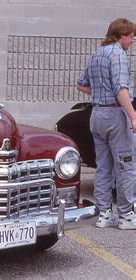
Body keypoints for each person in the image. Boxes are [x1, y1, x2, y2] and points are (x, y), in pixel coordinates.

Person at [77, 18, 136, 230]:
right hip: (114, 115)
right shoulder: (118, 55)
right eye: (130, 37)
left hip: (97, 115)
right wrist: (133, 115)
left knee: (103, 167)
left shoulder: (96, 55)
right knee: (126, 165)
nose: (132, 41)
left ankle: (103, 214)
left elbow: (81, 85)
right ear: (121, 35)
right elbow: (121, 89)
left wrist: (101, 93)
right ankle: (127, 215)